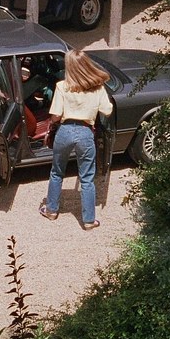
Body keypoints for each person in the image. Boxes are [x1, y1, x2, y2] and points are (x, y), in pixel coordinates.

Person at [39, 49, 114, 230]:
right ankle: (89, 220)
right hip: (85, 132)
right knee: (87, 178)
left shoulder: (62, 86)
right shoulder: (98, 88)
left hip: (65, 131)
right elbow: (107, 110)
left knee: (57, 171)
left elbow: (56, 116)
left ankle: (51, 210)